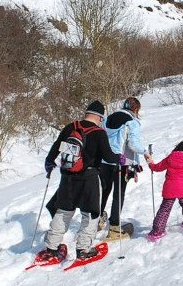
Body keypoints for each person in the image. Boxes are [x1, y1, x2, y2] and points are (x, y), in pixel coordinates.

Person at [39, 100, 124, 261]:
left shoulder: (71, 127)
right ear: (99, 117)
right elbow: (107, 156)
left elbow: (57, 146)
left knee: (63, 212)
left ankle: (51, 248)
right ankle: (83, 250)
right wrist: (119, 158)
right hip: (89, 178)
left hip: (67, 178)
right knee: (90, 214)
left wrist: (49, 162)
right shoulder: (99, 132)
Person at [99, 97, 147, 240]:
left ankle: (98, 219)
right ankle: (114, 227)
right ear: (136, 109)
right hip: (122, 162)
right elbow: (133, 144)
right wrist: (145, 152)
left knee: (105, 190)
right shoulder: (132, 122)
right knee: (118, 194)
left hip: (105, 161)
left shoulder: (108, 119)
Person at [144, 140, 183, 242]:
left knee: (164, 209)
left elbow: (157, 167)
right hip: (182, 189)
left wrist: (150, 164)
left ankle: (157, 231)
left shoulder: (170, 157)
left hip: (169, 188)